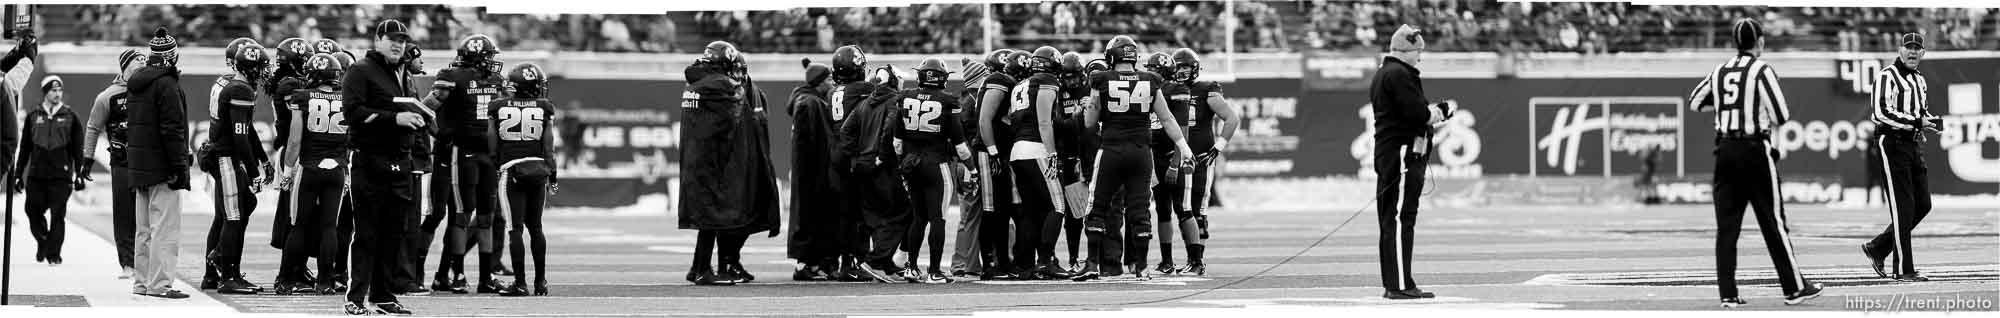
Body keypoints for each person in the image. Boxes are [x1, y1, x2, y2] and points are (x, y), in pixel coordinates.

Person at [1685, 19, 1823, 308]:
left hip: (1724, 150)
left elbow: (1695, 102)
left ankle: (1728, 294)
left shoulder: (1719, 70)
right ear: (1759, 42)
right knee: (1773, 222)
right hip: (1753, 149)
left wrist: (1725, 104)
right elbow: (1781, 115)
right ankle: (1794, 288)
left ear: (1735, 43)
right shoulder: (1762, 70)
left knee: (1727, 227)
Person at [1075, 36, 1191, 282]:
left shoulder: (1101, 79)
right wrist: (1185, 148)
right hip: (1141, 152)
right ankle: (1142, 267)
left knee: (1097, 207)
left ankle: (1092, 263)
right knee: (1140, 210)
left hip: (1112, 150)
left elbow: (1089, 122)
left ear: (1112, 56)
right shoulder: (1150, 80)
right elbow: (1168, 119)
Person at [339, 19, 425, 315]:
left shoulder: (400, 72)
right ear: (378, 40)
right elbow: (351, 112)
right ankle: (355, 298)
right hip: (369, 159)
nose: (398, 44)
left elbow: (402, 107)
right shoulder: (361, 70)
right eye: (392, 38)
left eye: (402, 40)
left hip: (399, 161)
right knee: (366, 233)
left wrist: (418, 117)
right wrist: (394, 119)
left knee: (393, 233)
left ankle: (383, 296)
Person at [678, 41, 780, 286]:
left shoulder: (696, 84)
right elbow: (734, 103)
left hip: (697, 158)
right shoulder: (719, 86)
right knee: (712, 218)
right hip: (711, 160)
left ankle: (698, 267)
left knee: (709, 218)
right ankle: (702, 269)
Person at [1369, 24, 1452, 300]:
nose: (1420, 57)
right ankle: (1400, 284)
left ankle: (1397, 281)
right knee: (1402, 217)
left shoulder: (1386, 73)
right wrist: (1441, 111)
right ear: (1406, 50)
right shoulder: (1399, 75)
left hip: (1391, 153)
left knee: (1392, 218)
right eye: (1418, 51)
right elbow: (1418, 115)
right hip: (1401, 155)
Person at [420, 34, 508, 294]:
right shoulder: (452, 76)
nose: (492, 61)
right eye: (489, 56)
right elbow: (425, 109)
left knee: (486, 217)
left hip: (487, 154)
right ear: (479, 57)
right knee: (460, 215)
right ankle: (456, 274)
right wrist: (440, 134)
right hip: (463, 152)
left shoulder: (495, 80)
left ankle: (485, 277)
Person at [1864, 33, 1941, 283]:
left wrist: (1926, 123)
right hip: (1892, 144)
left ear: (1923, 54)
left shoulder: (1919, 79)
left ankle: (1878, 247)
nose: (1912, 51)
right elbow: (1881, 113)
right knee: (1903, 208)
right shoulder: (1887, 76)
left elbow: (1919, 111)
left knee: (1923, 204)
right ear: (1899, 50)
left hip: (1912, 144)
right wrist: (1916, 122)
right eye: (1908, 47)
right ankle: (1903, 269)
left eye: (1917, 48)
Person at [199, 38, 271, 295]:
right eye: (262, 66)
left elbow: (245, 128)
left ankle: (213, 269)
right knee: (233, 215)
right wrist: (254, 172)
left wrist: (262, 159)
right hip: (226, 157)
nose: (265, 72)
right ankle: (227, 273)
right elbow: (240, 135)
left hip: (222, 153)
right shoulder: (240, 89)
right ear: (250, 67)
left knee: (237, 209)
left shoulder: (226, 82)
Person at [279, 53, 352, 295]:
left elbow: (294, 140)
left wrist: (287, 171)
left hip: (309, 168)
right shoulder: (346, 98)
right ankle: (325, 282)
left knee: (298, 226)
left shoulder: (303, 97)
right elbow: (352, 139)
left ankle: (287, 281)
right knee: (330, 227)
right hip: (337, 169)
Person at [126, 27, 191, 300]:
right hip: (162, 167)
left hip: (139, 166)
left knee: (143, 231)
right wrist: (180, 167)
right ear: (171, 56)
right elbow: (172, 130)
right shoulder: (167, 84)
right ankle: (160, 284)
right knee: (165, 229)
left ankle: (141, 282)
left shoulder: (137, 81)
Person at [892, 57, 969, 284]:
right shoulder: (948, 101)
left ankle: (911, 267)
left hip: (911, 164)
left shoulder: (904, 98)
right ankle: (934, 271)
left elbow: (897, 143)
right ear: (942, 78)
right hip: (936, 165)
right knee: (938, 219)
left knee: (918, 218)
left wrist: (902, 165)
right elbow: (960, 146)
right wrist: (972, 169)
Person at [1163, 48, 1238, 276]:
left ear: (1194, 68)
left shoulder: (1206, 89)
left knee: (1198, 210)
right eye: (1178, 67)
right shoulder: (1170, 89)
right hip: (1176, 158)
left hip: (1201, 159)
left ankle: (1197, 261)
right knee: (1179, 210)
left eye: (1185, 66)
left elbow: (1232, 118)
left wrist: (1218, 147)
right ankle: (1189, 259)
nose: (1181, 71)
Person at [828, 45, 898, 282]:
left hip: (838, 154)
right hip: (856, 154)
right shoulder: (864, 89)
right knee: (865, 212)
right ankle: (860, 262)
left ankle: (851, 262)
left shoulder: (833, 91)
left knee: (847, 212)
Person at [489, 62, 557, 296]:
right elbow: (549, 148)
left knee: (514, 228)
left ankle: (520, 283)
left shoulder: (497, 106)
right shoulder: (545, 107)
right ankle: (540, 283)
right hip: (538, 172)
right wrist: (553, 176)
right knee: (536, 227)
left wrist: (497, 165)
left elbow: (491, 144)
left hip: (511, 171)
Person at [14, 74, 86, 266]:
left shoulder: (70, 117)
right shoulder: (33, 116)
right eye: (53, 90)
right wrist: (18, 174)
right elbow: (25, 148)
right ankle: (43, 241)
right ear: (45, 93)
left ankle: (54, 254)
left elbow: (78, 149)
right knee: (31, 211)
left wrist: (80, 174)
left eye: (59, 90)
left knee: (58, 215)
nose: (57, 94)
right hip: (37, 175)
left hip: (61, 177)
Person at [266, 37, 319, 293]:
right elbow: (299, 121)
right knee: (295, 217)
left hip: (293, 150)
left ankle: (297, 268)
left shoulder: (289, 81)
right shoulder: (291, 84)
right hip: (294, 153)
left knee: (300, 215)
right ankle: (287, 273)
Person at [86, 49, 145, 279]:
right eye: (136, 60)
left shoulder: (151, 91)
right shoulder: (107, 96)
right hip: (121, 163)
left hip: (147, 162)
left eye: (144, 59)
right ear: (125, 66)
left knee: (146, 215)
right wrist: (87, 160)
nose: (142, 63)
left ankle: (145, 262)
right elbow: (93, 128)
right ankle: (127, 264)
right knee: (124, 213)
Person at [786, 59, 842, 281]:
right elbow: (811, 142)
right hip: (812, 172)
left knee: (815, 218)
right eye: (828, 79)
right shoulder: (809, 104)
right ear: (818, 82)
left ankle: (816, 263)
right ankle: (806, 265)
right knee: (811, 218)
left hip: (811, 171)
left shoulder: (809, 100)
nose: (831, 83)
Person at [967, 49, 1020, 280]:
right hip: (990, 152)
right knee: (991, 209)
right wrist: (993, 151)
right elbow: (984, 119)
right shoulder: (998, 81)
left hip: (1000, 151)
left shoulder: (1002, 81)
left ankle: (1003, 262)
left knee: (1004, 209)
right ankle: (989, 264)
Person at [1143, 50, 1190, 276]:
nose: (1148, 73)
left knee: (1183, 209)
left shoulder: (1178, 90)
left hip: (1172, 156)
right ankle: (1167, 260)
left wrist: (1175, 162)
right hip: (1154, 157)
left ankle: (1196, 259)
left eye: (1152, 70)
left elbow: (1182, 130)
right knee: (1162, 210)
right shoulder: (1149, 89)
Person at [948, 56, 994, 278]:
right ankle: (963, 264)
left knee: (971, 216)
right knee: (972, 215)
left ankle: (967, 263)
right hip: (971, 164)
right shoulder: (973, 104)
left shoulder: (965, 101)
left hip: (964, 164)